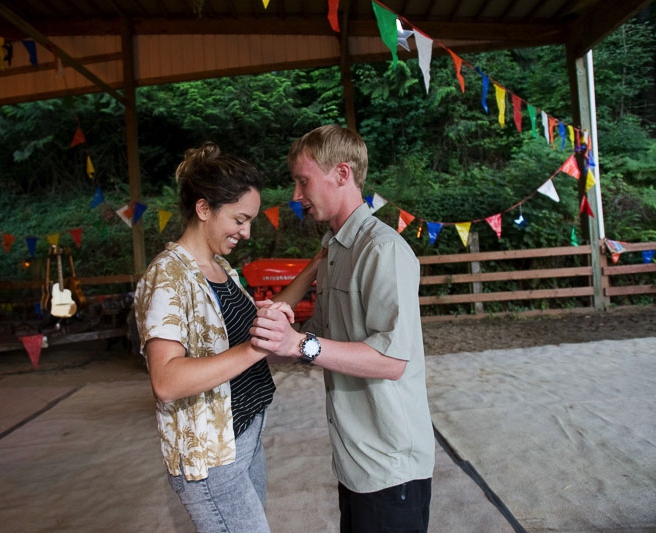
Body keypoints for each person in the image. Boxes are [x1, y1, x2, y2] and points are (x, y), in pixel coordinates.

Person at [252, 125, 435, 533]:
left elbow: (391, 360)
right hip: (354, 462)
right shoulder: (334, 250)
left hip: (390, 466)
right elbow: (320, 337)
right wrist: (275, 341)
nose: (296, 195)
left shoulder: (383, 249)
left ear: (341, 173)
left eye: (303, 181)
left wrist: (299, 344)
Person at [134, 142, 321, 533]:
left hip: (245, 436)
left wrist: (315, 266)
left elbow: (258, 331)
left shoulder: (220, 268)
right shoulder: (169, 276)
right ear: (204, 209)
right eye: (239, 219)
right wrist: (253, 350)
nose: (247, 232)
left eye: (250, 220)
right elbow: (166, 381)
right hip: (212, 458)